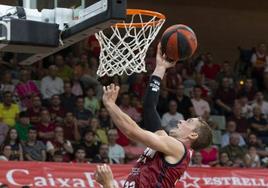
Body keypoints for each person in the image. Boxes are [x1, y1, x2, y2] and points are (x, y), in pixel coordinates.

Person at [102, 44, 213, 187]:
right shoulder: (166, 143)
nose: (181, 121)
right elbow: (149, 108)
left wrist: (111, 105)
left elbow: (132, 131)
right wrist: (160, 68)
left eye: (188, 121)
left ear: (192, 135)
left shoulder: (178, 148)